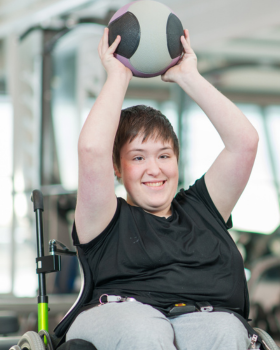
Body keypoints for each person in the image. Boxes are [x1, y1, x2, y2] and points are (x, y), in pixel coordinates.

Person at [54, 28, 259, 350]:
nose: (155, 169)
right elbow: (92, 150)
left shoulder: (203, 209)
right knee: (147, 328)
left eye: (164, 155)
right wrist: (118, 75)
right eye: (138, 157)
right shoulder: (105, 218)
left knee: (226, 329)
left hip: (197, 316)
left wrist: (189, 76)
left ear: (177, 160)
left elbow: (244, 143)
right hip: (117, 315)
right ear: (117, 169)